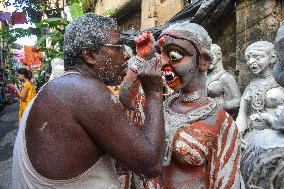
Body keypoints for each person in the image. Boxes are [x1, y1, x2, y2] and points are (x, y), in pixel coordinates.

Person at [12, 13, 165, 189]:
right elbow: (151, 164)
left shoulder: (62, 86)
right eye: (118, 46)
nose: (126, 55)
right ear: (89, 55)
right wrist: (154, 92)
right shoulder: (84, 91)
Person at [120, 22, 243, 189]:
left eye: (175, 56)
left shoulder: (222, 123)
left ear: (204, 61)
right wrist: (142, 57)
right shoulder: (157, 109)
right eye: (160, 55)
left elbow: (227, 183)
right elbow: (126, 97)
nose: (163, 63)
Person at [236, 41, 284, 143]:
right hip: (252, 138)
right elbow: (242, 115)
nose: (250, 62)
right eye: (248, 58)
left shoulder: (280, 83)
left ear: (272, 58)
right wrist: (237, 135)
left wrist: (268, 118)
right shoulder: (250, 87)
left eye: (257, 57)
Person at [207, 44, 241, 116]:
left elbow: (238, 101)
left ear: (219, 55)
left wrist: (219, 105)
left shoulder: (227, 77)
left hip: (221, 116)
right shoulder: (206, 77)